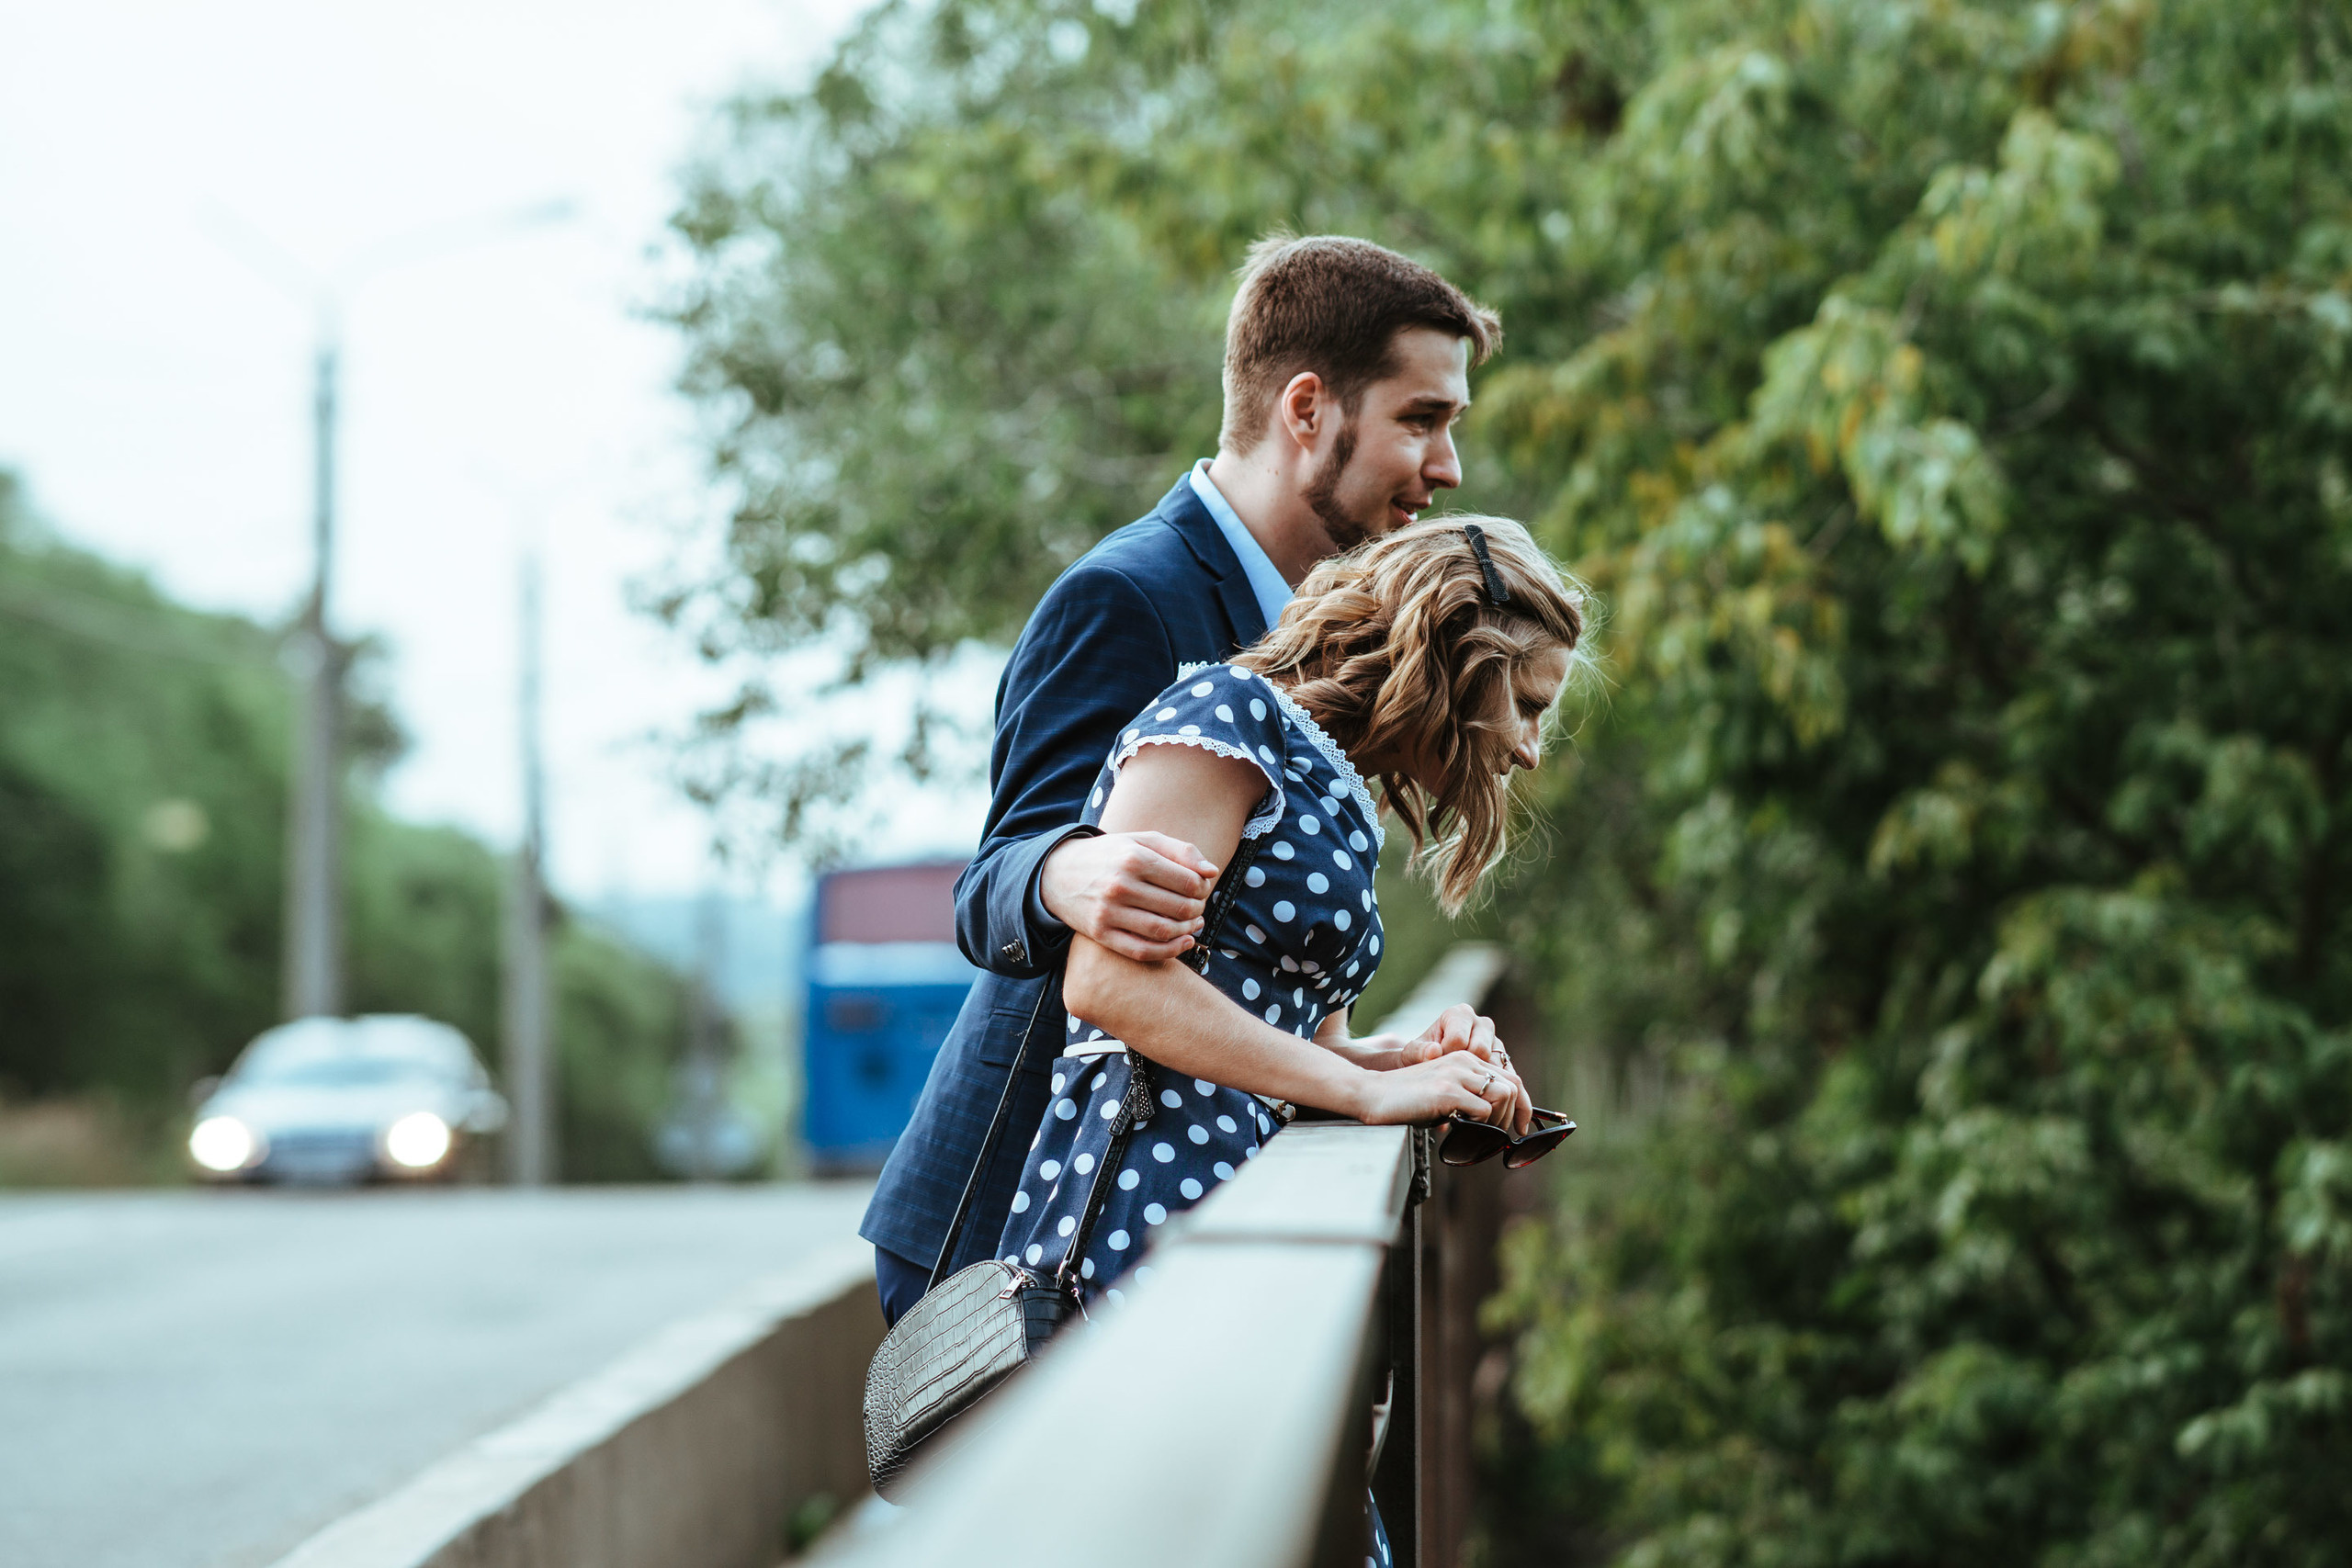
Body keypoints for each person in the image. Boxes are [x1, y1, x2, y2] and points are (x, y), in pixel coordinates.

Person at [861, 234, 1510, 1324]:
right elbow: (991, 884)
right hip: (1017, 1234)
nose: (1447, 469)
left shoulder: (1311, 636)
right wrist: (1069, 869)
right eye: (1421, 420)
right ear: (1307, 409)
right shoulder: (1129, 596)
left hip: (1167, 1225)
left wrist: (1392, 1060)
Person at [990, 516, 1582, 1566]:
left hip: (1235, 1215)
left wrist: (1404, 1065)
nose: (1530, 746)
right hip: (1143, 1224)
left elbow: (1266, 1042)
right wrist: (1358, 1093)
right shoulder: (1223, 715)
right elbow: (1112, 982)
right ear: (1455, 653)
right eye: (1528, 704)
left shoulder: (1332, 782)